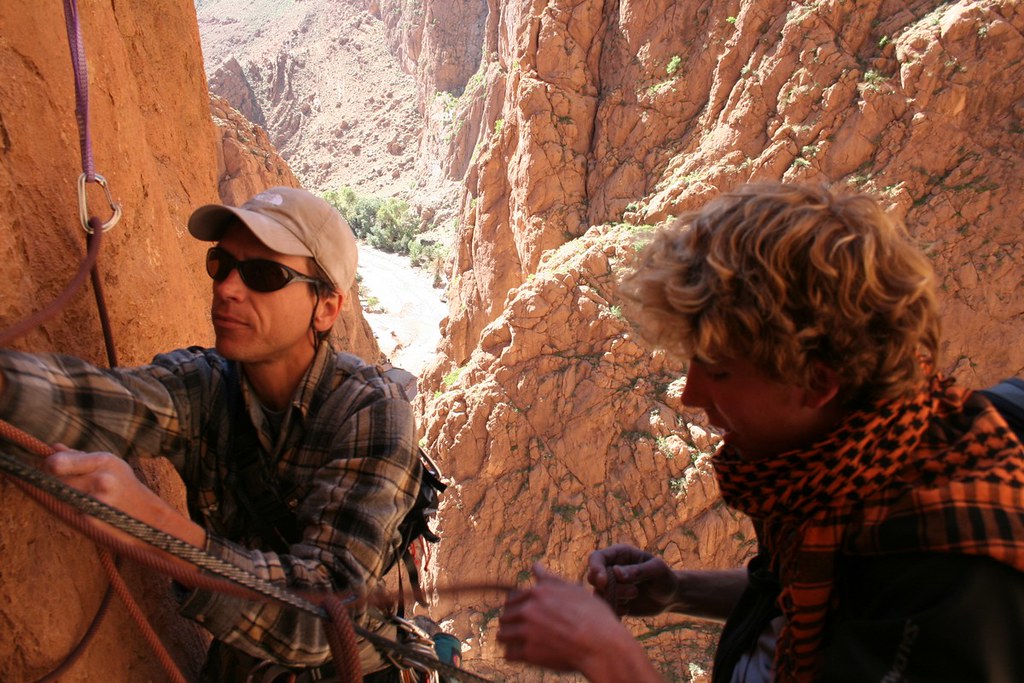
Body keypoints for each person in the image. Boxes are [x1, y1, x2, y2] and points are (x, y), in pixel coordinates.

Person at [496, 182, 1024, 682]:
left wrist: (607, 656)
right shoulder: (842, 469)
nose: (691, 396)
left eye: (719, 370)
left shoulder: (952, 585)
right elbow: (811, 591)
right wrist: (678, 591)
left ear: (816, 381)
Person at [0, 187, 422, 682]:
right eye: (222, 264)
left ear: (326, 308)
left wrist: (156, 529)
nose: (227, 289)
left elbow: (321, 622)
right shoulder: (205, 385)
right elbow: (95, 402)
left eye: (264, 274)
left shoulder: (371, 413)